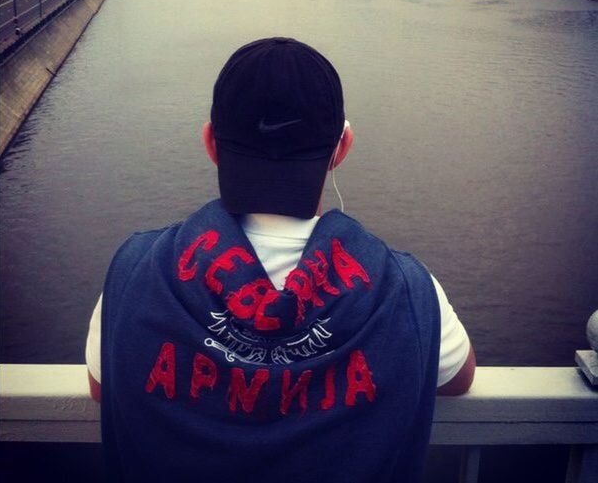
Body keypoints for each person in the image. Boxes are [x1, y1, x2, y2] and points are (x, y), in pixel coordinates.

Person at [86, 37, 475, 482]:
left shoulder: (136, 268)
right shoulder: (406, 286)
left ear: (211, 142)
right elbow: (457, 379)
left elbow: (104, 385)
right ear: (340, 150)